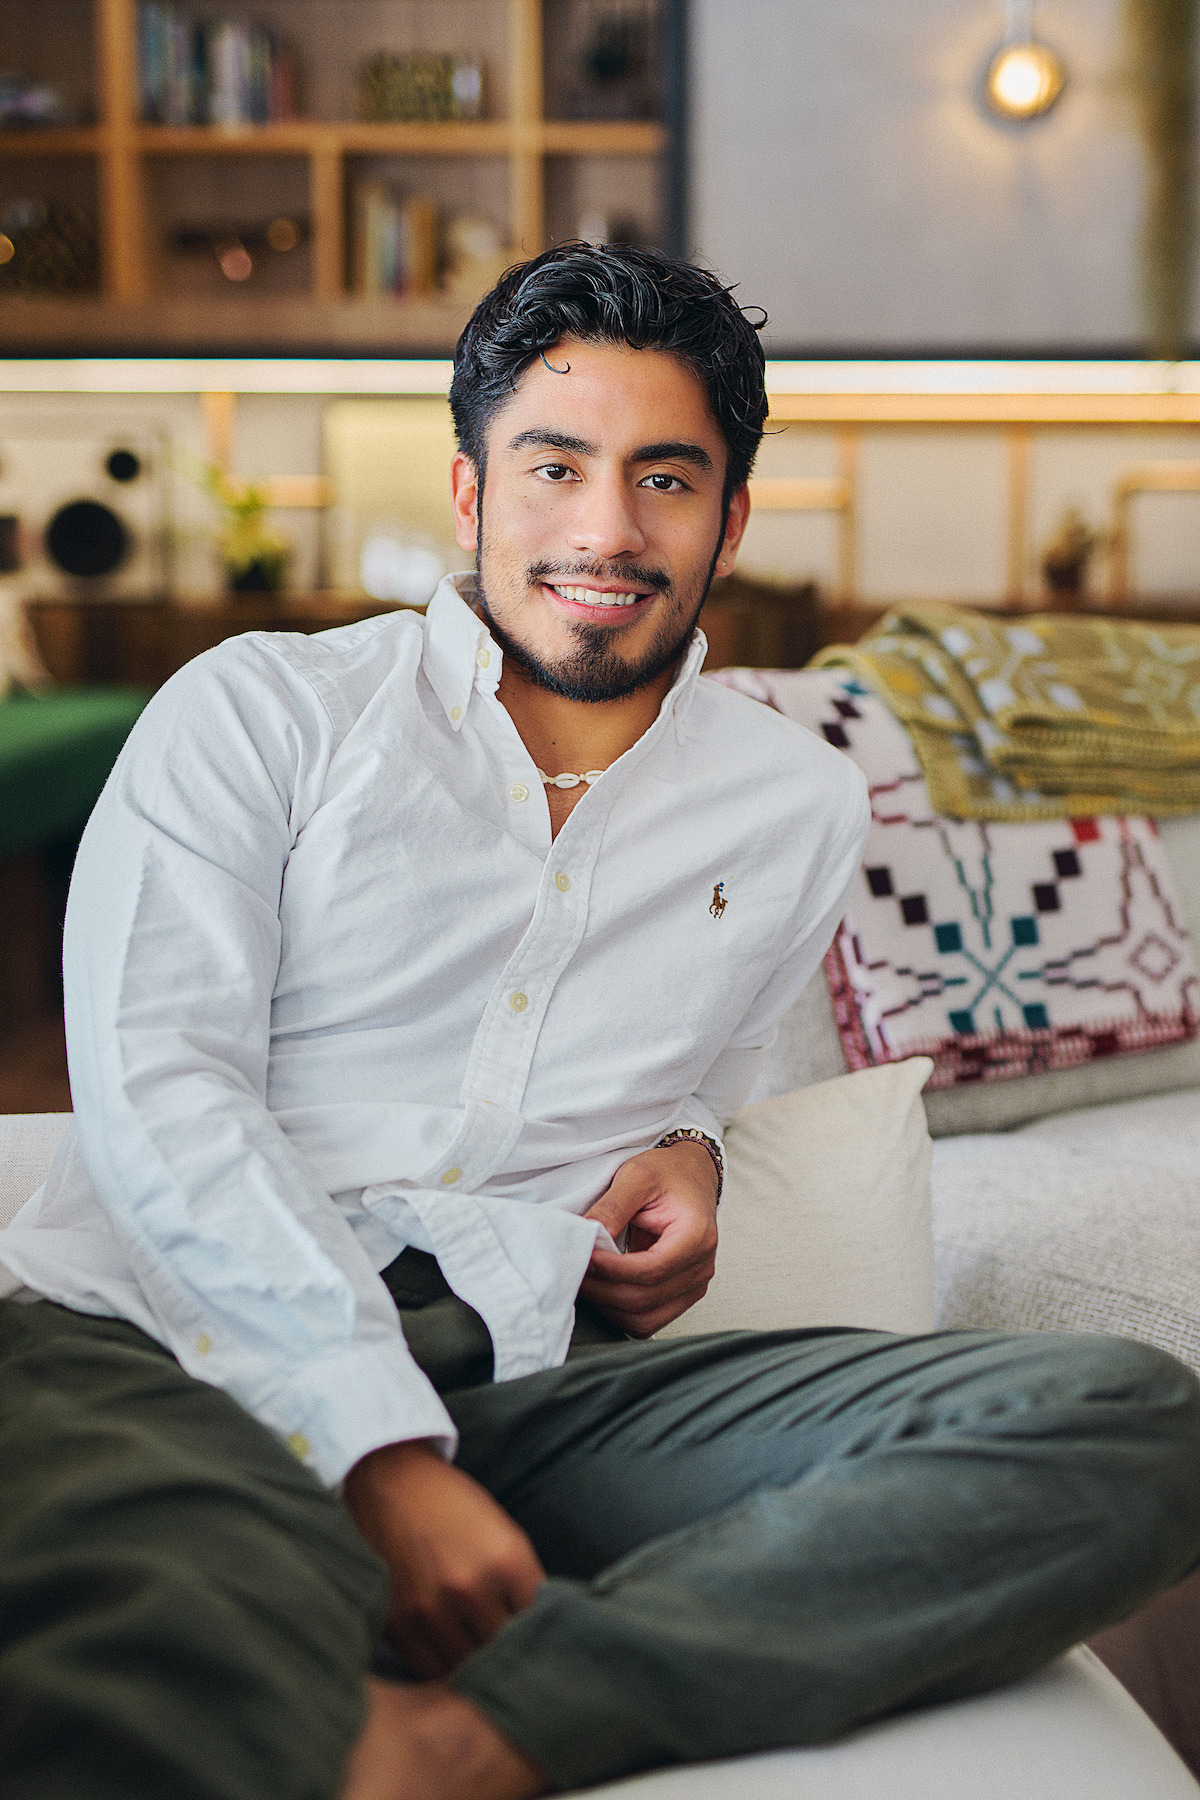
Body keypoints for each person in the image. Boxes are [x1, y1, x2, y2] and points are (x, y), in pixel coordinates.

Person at [2, 244, 1200, 1800]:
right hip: (165, 1345)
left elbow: (708, 1048)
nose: (607, 530)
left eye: (667, 478)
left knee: (1126, 1422)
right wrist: (375, 1454)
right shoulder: (258, 714)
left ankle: (481, 1736)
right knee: (134, 1653)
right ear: (469, 494)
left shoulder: (795, 805)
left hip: (532, 1380)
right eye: (555, 465)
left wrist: (692, 1144)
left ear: (733, 518)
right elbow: (164, 1093)